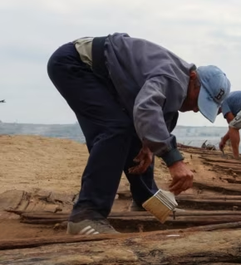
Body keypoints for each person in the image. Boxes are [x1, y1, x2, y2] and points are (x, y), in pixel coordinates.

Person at [47, 33, 231, 236]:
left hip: (99, 75)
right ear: (194, 77)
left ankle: (146, 200)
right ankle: (86, 215)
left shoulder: (179, 83)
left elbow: (156, 118)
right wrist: (174, 161)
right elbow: (146, 110)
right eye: (200, 99)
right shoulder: (171, 77)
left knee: (130, 133)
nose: (197, 108)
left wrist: (146, 145)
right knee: (114, 130)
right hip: (76, 65)